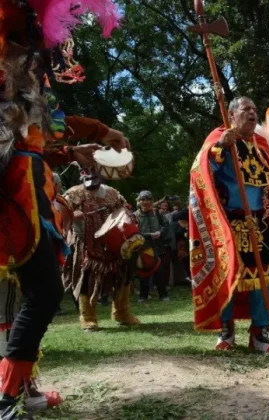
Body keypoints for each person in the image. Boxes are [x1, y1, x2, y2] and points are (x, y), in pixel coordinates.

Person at [0, 1, 122, 418]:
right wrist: (94, 133)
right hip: (16, 189)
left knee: (23, 297)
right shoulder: (17, 60)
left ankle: (20, 391)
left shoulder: (21, 67)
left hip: (25, 182)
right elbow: (26, 130)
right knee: (36, 294)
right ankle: (5, 399)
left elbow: (36, 134)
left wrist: (80, 144)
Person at [189, 96, 269, 353]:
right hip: (230, 222)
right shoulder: (219, 139)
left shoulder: (261, 144)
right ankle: (226, 330)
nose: (252, 113)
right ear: (232, 115)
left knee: (264, 277)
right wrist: (220, 149)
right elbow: (200, 172)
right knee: (231, 275)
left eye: (255, 110)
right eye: (246, 110)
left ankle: (261, 332)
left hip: (261, 222)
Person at [63, 170, 140, 331]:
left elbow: (124, 210)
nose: (91, 183)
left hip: (114, 242)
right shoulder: (73, 193)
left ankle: (121, 312)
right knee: (86, 277)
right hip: (86, 242)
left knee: (122, 274)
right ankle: (88, 317)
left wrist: (128, 218)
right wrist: (72, 214)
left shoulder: (112, 193)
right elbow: (60, 212)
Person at [134, 190, 170, 302]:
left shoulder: (157, 213)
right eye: (142, 200)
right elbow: (134, 233)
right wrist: (149, 235)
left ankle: (163, 295)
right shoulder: (135, 215)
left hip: (158, 246)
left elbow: (166, 225)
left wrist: (161, 232)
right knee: (144, 272)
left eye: (148, 199)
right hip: (143, 248)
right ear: (139, 202)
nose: (145, 202)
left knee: (160, 271)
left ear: (152, 201)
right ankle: (143, 296)